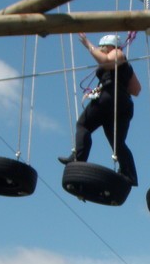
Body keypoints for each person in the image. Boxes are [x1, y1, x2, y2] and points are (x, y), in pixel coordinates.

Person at [59, 32, 142, 186]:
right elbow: (136, 90)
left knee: (83, 125)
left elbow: (106, 62)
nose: (101, 49)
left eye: (103, 46)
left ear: (110, 46)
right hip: (122, 104)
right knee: (117, 142)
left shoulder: (117, 53)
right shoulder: (125, 64)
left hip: (110, 97)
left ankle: (78, 159)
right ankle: (129, 174)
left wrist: (88, 45)